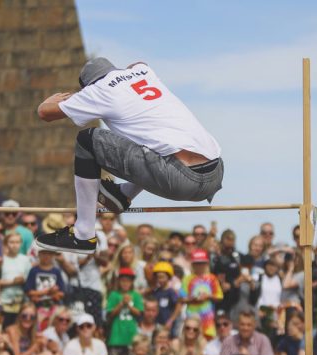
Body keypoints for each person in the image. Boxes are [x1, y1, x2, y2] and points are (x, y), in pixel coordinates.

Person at [35, 57, 223, 254]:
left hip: (179, 179)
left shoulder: (97, 91)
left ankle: (83, 234)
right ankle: (122, 195)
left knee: (86, 140)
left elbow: (45, 113)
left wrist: (50, 101)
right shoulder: (145, 73)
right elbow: (139, 62)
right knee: (146, 135)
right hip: (215, 172)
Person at [105, 267, 143, 355]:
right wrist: (121, 303)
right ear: (119, 281)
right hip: (116, 336)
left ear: (132, 282)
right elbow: (110, 314)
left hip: (131, 336)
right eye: (123, 280)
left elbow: (139, 313)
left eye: (128, 281)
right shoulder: (113, 295)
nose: (125, 283)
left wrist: (129, 305)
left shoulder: (136, 295)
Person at [180, 249, 223, 341]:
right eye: (197, 263)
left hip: (208, 320)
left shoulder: (212, 278)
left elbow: (219, 296)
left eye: (202, 263)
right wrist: (193, 298)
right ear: (192, 264)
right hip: (191, 318)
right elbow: (181, 299)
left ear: (206, 264)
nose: (199, 266)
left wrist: (208, 296)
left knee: (208, 341)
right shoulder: (187, 279)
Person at [24, 248, 65, 332]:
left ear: (53, 255)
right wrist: (47, 292)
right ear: (38, 254)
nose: (46, 256)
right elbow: (29, 291)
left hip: (52, 309)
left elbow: (61, 292)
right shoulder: (34, 271)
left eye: (49, 254)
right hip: (37, 308)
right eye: (44, 253)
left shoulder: (56, 272)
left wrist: (54, 295)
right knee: (36, 330)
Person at [0, 232, 31, 327]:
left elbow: (28, 279)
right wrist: (13, 282)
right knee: (2, 327)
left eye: (17, 242)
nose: (14, 245)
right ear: (5, 244)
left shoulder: (25, 260)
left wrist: (23, 280)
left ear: (21, 243)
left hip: (20, 303)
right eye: (11, 242)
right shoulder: (2, 260)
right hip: (4, 302)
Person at [148, 261, 181, 337]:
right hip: (156, 324)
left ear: (168, 277)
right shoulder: (156, 291)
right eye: (158, 277)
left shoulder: (171, 292)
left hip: (167, 325)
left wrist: (171, 320)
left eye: (162, 277)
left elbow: (178, 306)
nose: (160, 279)